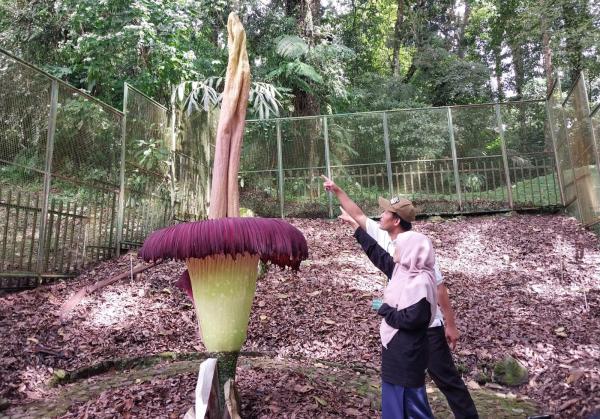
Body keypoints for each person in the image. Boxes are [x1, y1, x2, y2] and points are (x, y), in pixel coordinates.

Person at [322, 175, 479, 419]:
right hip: (401, 328)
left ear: (396, 220)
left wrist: (451, 324)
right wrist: (337, 191)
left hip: (427, 327)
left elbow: (440, 289)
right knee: (405, 384)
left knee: (446, 379)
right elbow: (359, 216)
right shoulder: (385, 236)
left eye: (386, 212)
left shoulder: (417, 251)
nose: (380, 214)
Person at [354, 223, 438, 418]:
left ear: (410, 251)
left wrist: (385, 309)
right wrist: (357, 229)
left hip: (408, 356)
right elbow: (378, 255)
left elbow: (412, 319)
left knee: (412, 406)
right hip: (396, 352)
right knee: (393, 403)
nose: (394, 249)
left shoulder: (421, 281)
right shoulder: (403, 271)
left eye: (399, 246)